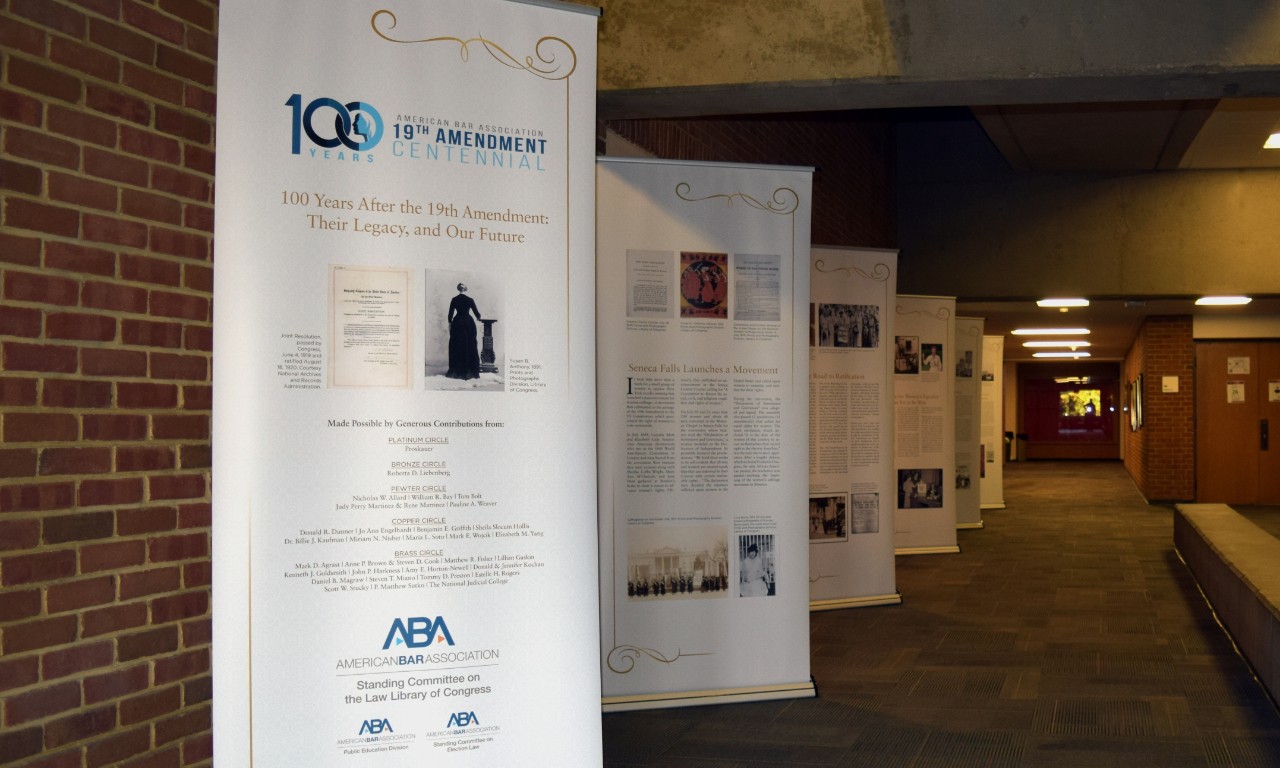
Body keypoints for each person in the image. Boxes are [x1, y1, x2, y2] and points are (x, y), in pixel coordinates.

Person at [446, 283, 481, 380]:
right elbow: (477, 314)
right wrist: (479, 317)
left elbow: (450, 314)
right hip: (468, 323)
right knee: (469, 344)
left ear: (458, 289)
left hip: (457, 323)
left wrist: (450, 323)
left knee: (457, 345)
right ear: (465, 289)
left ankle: (457, 370)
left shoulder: (454, 299)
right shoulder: (470, 300)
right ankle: (469, 370)